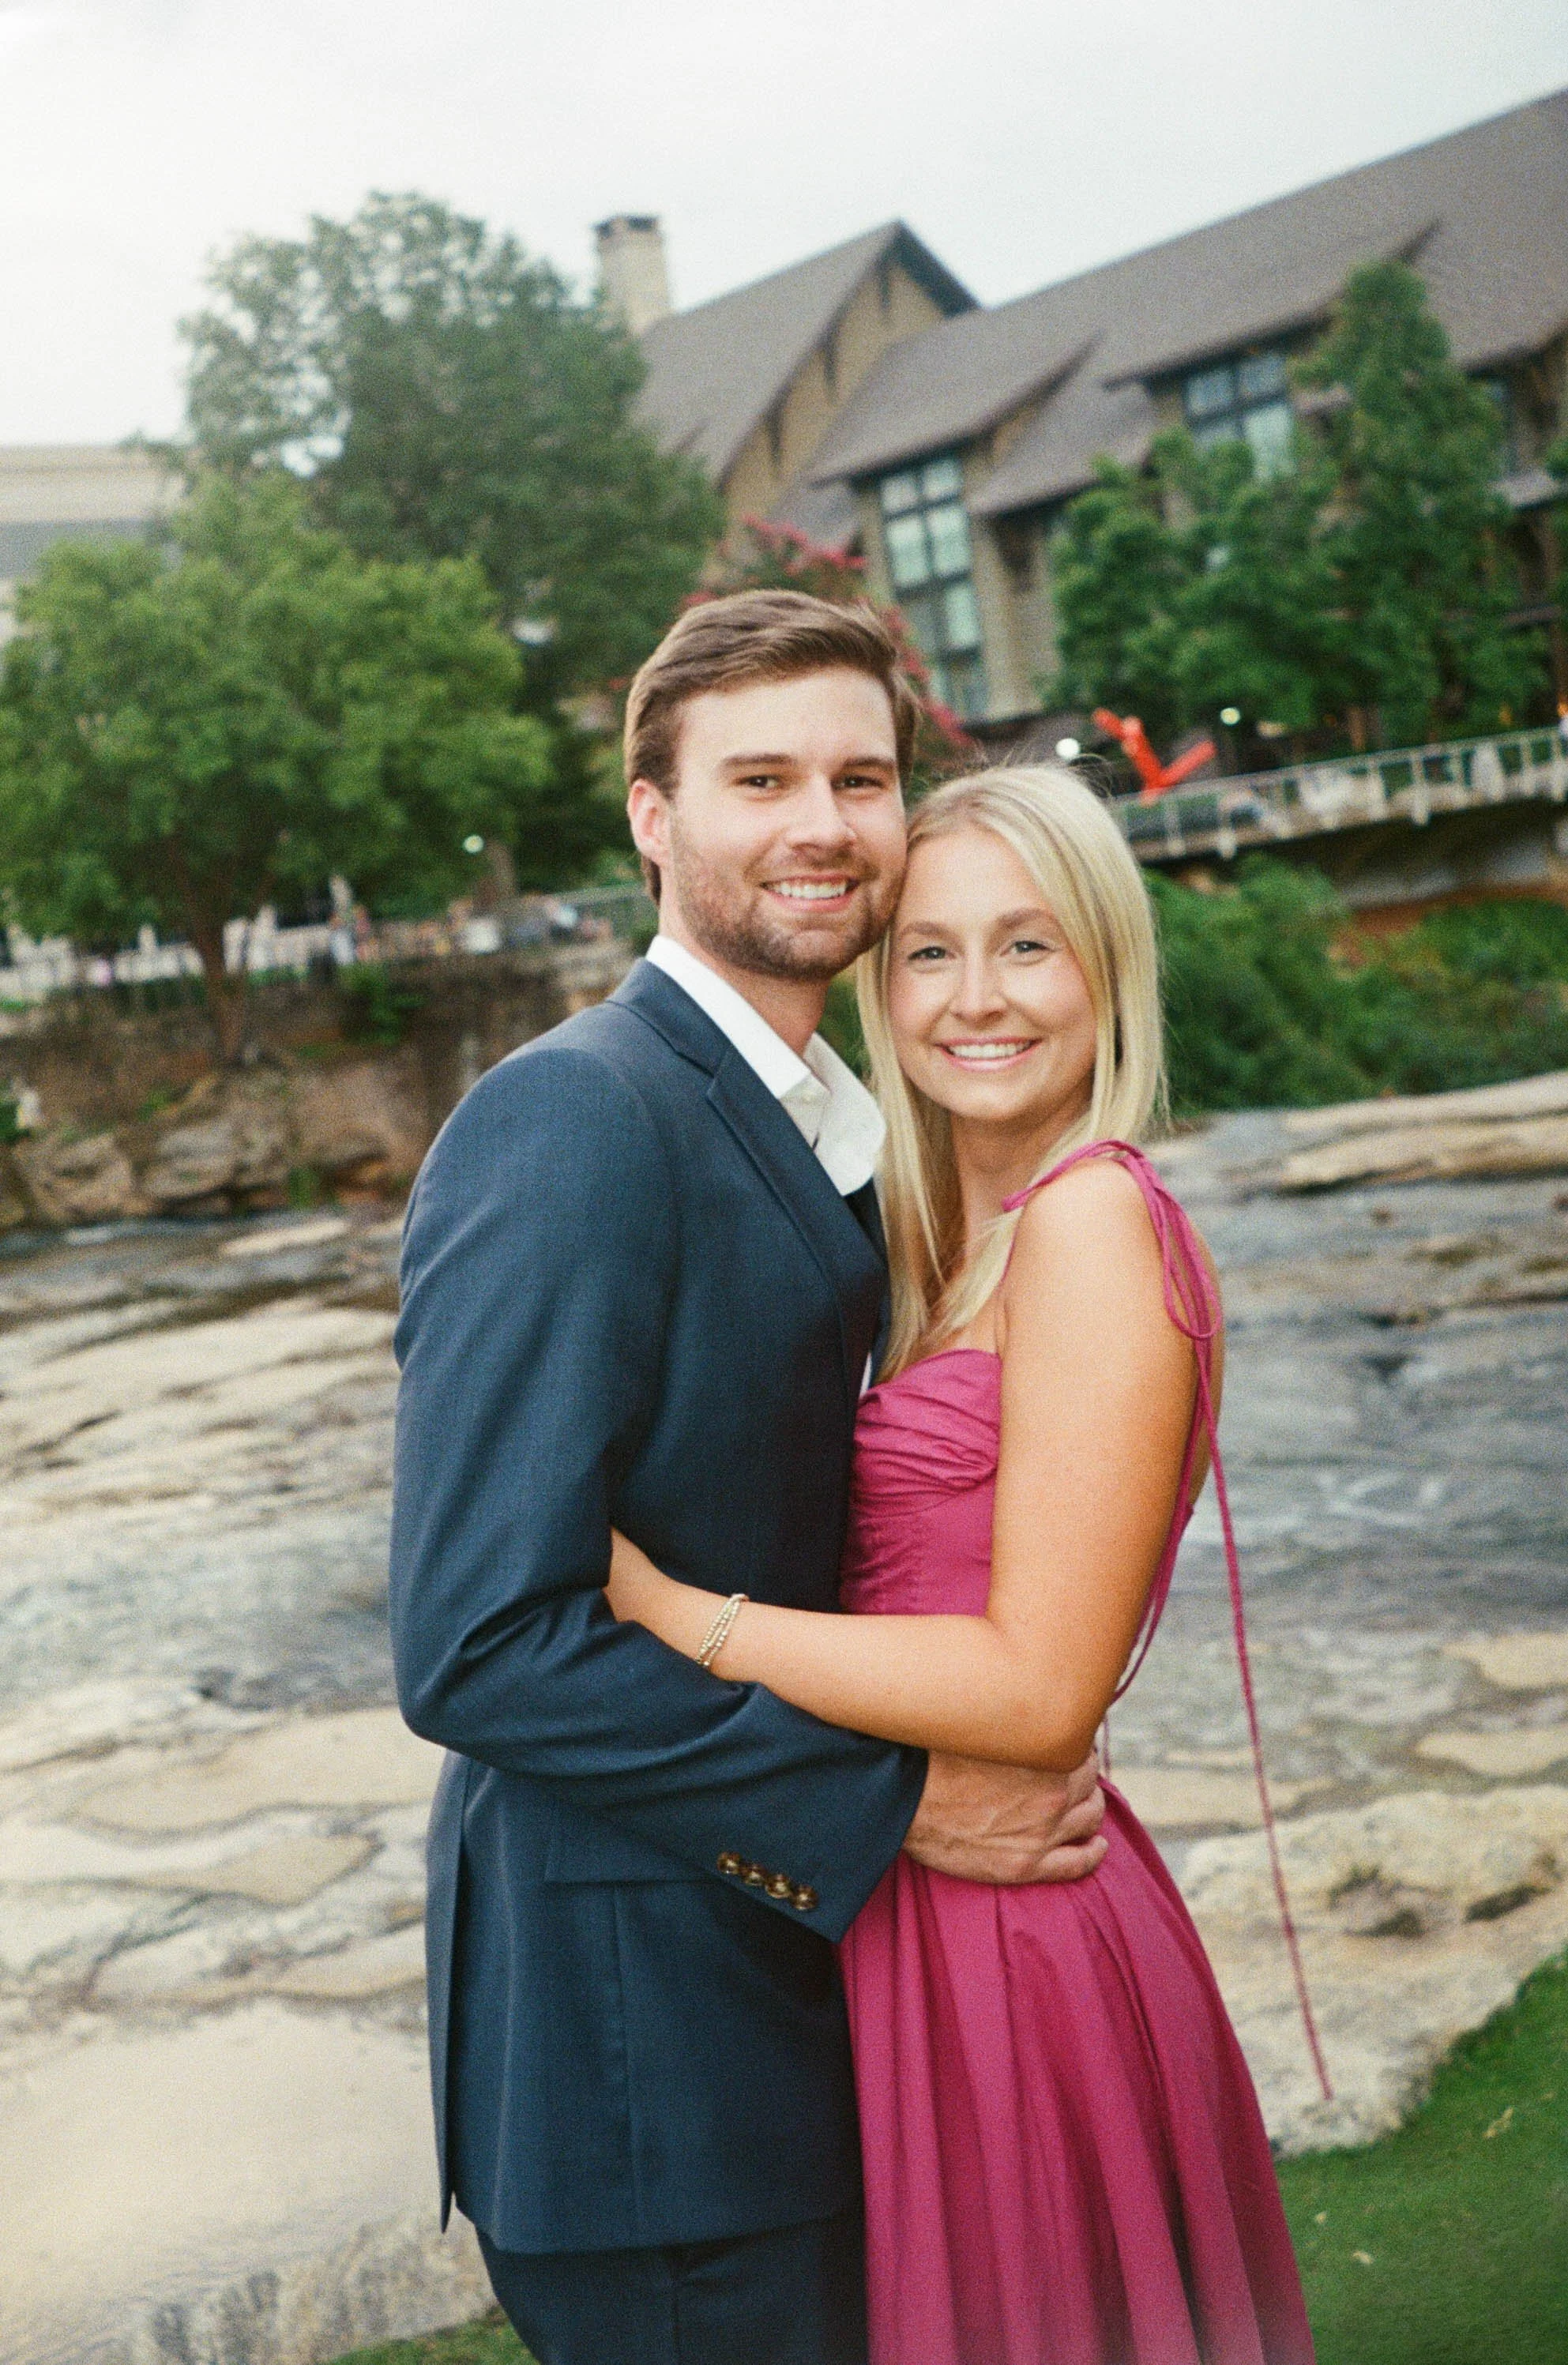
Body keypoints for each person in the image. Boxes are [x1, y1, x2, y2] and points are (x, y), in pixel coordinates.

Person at [388, 592, 1107, 2365]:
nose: (819, 824)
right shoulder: (579, 1116)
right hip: (650, 2089)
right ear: (652, 814)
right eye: (758, 776)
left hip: (781, 2024)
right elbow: (477, 1644)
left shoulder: (822, 1122)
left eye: (858, 778)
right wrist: (891, 1810)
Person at [608, 763, 1318, 2365]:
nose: (973, 999)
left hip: (1013, 1934)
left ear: (1104, 970)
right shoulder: (920, 1244)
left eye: (1027, 946)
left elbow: (1036, 1678)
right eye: (926, 952)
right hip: (908, 1882)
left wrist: (674, 1614)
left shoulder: (1087, 1224)